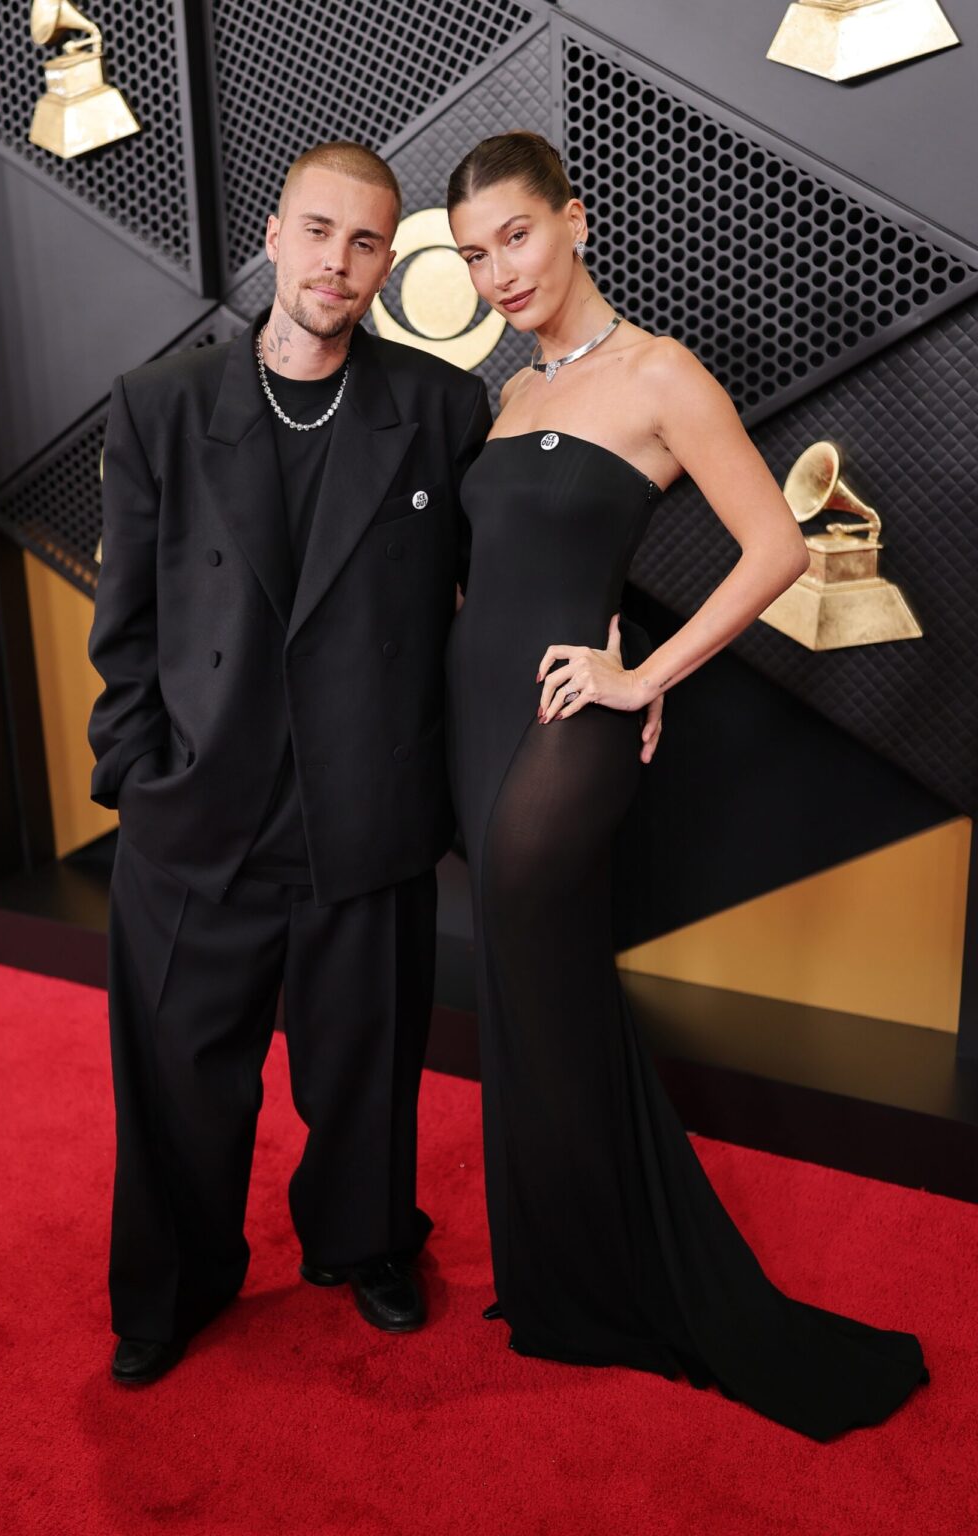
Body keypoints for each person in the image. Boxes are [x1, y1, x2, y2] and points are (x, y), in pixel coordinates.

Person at [444, 130, 928, 1440]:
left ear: (576, 220)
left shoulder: (659, 372)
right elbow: (498, 577)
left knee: (546, 991)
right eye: (475, 253)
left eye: (517, 237)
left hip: (568, 722)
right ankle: (565, 1284)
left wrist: (644, 674)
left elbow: (774, 546)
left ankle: (626, 1291)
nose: (498, 270)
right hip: (476, 719)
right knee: (532, 1005)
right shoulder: (511, 390)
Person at [88, 140, 491, 1384]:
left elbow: (498, 585)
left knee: (366, 1066)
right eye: (320, 231)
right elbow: (129, 623)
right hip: (197, 814)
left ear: (389, 260)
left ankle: (364, 1242)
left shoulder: (438, 409)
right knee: (176, 1082)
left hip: (364, 811)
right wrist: (138, 775)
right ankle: (173, 1284)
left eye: (368, 241)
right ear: (273, 235)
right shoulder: (162, 406)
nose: (339, 262)